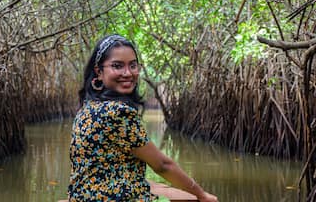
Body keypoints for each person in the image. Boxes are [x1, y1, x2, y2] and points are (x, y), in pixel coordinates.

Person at [68, 34, 218, 202]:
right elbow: (162, 165)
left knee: (158, 188)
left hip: (82, 195)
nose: (128, 73)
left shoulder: (87, 107)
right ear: (99, 71)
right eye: (117, 66)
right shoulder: (119, 112)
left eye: (133, 65)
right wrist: (202, 195)